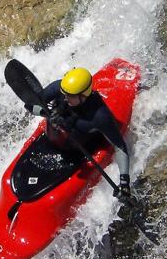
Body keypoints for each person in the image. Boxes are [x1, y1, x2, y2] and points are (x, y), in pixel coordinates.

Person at [29, 66, 133, 202]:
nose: (64, 97)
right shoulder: (60, 87)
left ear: (83, 95)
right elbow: (30, 104)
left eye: (69, 96)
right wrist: (46, 114)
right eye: (64, 93)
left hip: (76, 151)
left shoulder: (99, 116)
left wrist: (124, 182)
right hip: (53, 139)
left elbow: (119, 147)